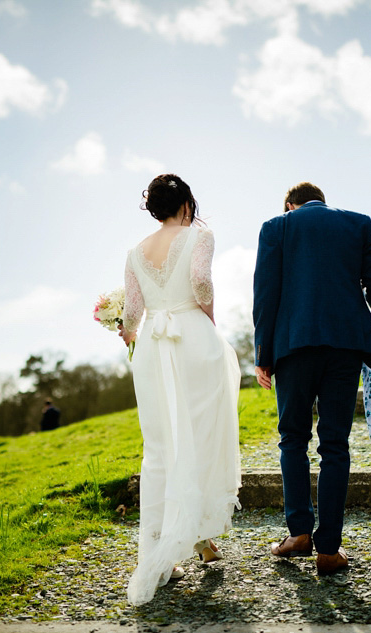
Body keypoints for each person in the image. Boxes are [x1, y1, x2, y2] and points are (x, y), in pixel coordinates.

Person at [252, 182, 371, 576]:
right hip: (345, 345)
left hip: (293, 347)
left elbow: (265, 294)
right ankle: (329, 550)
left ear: (290, 205)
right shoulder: (358, 224)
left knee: (293, 438)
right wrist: (362, 295)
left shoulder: (277, 227)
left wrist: (263, 355)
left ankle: (298, 534)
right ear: (322, 201)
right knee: (335, 444)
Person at [119, 174, 242, 605]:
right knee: (202, 435)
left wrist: (127, 332)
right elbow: (203, 284)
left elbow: (133, 311)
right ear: (187, 202)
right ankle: (202, 538)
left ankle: (160, 553)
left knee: (161, 446)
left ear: (153, 208)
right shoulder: (199, 236)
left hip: (151, 346)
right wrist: (207, 318)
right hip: (191, 336)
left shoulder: (135, 252)